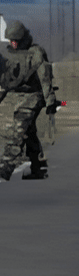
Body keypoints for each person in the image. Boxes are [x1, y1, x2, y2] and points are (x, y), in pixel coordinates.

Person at [0, 19, 57, 181]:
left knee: (18, 130)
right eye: (11, 41)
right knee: (28, 131)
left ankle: (5, 168)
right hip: (20, 96)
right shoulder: (11, 54)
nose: (13, 44)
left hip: (34, 95)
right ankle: (38, 167)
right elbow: (8, 81)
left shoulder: (36, 53)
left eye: (16, 41)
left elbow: (45, 78)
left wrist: (50, 100)